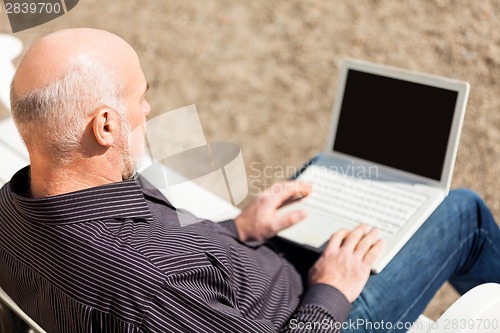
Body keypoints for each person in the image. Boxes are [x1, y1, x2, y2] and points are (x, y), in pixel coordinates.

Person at [0, 28, 498, 333]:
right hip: (316, 313)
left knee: (315, 183)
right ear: (105, 126)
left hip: (251, 272)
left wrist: (238, 228)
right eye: (140, 98)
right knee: (463, 212)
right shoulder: (146, 285)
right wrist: (333, 288)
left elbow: (169, 253)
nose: (148, 110)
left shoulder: (13, 207)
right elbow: (158, 282)